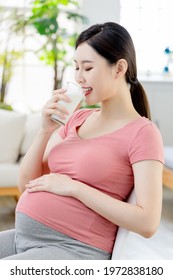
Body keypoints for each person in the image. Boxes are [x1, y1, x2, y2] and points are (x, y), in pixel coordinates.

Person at [0, 22, 164, 260]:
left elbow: (147, 222)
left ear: (119, 68)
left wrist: (74, 188)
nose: (78, 78)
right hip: (24, 240)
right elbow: (27, 184)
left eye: (87, 68)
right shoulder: (77, 118)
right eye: (75, 67)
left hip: (74, 250)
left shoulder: (143, 133)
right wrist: (45, 131)